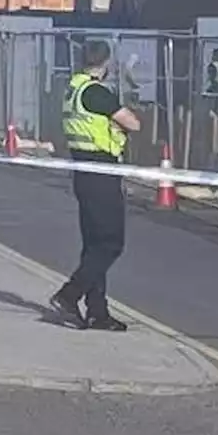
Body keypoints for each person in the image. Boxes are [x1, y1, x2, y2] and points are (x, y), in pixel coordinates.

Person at [50, 39, 141, 332]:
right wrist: (119, 122)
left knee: (93, 245)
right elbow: (133, 123)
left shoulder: (72, 89)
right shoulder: (95, 92)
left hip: (82, 171)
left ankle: (97, 312)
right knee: (112, 243)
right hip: (101, 173)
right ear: (106, 64)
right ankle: (69, 294)